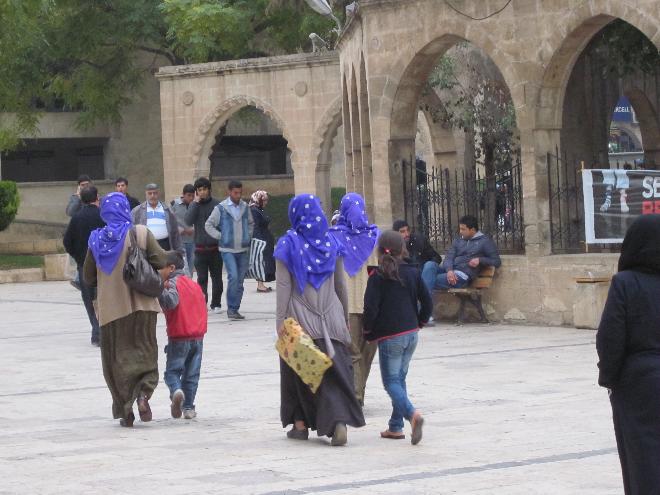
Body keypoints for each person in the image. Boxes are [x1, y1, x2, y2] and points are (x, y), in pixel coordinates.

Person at [275, 194, 365, 446]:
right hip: (332, 318)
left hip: (300, 319)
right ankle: (338, 422)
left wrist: (280, 323)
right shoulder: (332, 242)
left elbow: (283, 286)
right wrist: (344, 319)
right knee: (335, 373)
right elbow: (341, 286)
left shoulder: (287, 244)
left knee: (295, 372)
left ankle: (300, 425)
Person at [84, 192, 168, 427]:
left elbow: (88, 276)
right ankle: (143, 394)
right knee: (146, 353)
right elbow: (160, 260)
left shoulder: (97, 240)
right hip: (143, 307)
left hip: (112, 312)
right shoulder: (140, 233)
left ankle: (126, 409)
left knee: (117, 361)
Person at [596, 214, 660, 494]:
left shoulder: (625, 283)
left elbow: (610, 337)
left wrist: (609, 377)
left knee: (642, 456)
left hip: (639, 382)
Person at [362, 230, 432, 445]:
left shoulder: (377, 276)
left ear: (379, 250)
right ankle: (395, 426)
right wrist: (419, 322)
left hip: (390, 337)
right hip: (411, 334)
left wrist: (367, 331)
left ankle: (412, 415)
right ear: (403, 249)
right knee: (399, 380)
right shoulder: (412, 272)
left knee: (390, 382)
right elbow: (427, 302)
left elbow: (370, 309)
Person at [328, 192, 380, 405]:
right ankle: (358, 394)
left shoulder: (334, 237)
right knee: (366, 353)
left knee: (353, 353)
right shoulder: (375, 237)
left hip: (346, 305)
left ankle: (356, 395)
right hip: (373, 305)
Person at [158, 251, 207, 420]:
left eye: (160, 269)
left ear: (171, 268)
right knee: (192, 374)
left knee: (172, 372)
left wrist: (158, 290)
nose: (159, 272)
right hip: (198, 336)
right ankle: (189, 408)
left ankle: (176, 391)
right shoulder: (193, 284)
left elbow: (171, 301)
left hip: (179, 335)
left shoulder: (171, 284)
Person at [205, 180, 254, 320]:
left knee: (240, 280)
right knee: (233, 276)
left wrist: (248, 235)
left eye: (240, 192)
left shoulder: (245, 207)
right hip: (227, 249)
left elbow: (251, 223)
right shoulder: (221, 208)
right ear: (229, 192)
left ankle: (235, 308)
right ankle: (231, 309)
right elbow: (208, 225)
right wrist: (221, 236)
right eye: (235, 193)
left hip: (243, 248)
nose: (238, 195)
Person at [63, 186, 105, 346]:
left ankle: (96, 331)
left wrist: (79, 257)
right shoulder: (103, 216)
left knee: (89, 299)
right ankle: (103, 331)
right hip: (104, 264)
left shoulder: (77, 218)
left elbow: (67, 242)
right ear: (97, 197)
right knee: (103, 298)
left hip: (84, 265)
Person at [421, 214, 501, 293]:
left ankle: (423, 305)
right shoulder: (458, 241)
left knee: (427, 279)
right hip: (449, 271)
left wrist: (480, 260)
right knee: (429, 265)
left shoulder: (485, 241)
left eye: (463, 229)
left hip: (461, 276)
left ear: (472, 230)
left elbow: (497, 261)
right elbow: (449, 257)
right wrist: (449, 270)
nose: (460, 232)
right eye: (460, 229)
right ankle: (425, 305)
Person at [184, 177, 223, 313]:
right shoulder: (194, 206)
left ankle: (216, 304)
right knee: (202, 279)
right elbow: (188, 221)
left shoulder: (217, 205)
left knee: (217, 278)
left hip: (215, 249)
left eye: (204, 189)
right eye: (199, 190)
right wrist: (194, 203)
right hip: (200, 249)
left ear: (209, 189)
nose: (202, 192)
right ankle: (202, 303)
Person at [131, 183, 183, 253]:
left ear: (158, 194)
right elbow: (131, 231)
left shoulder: (167, 210)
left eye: (155, 193)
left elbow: (175, 232)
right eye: (150, 193)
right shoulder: (137, 211)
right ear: (146, 194)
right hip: (146, 247)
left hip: (165, 246)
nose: (152, 196)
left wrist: (178, 250)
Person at [249, 190, 276, 292]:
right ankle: (260, 285)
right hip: (261, 240)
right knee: (261, 261)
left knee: (265, 261)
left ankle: (262, 284)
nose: (265, 203)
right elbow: (255, 227)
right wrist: (259, 242)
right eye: (264, 200)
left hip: (265, 239)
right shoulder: (254, 210)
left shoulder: (258, 209)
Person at [171, 184, 196, 277]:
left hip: (191, 241)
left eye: (193, 196)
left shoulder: (195, 205)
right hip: (179, 241)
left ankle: (189, 286)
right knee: (183, 266)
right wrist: (177, 228)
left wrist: (193, 229)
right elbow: (169, 220)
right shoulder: (174, 204)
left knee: (190, 265)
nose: (191, 198)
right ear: (183, 194)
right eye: (189, 195)